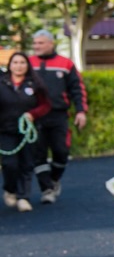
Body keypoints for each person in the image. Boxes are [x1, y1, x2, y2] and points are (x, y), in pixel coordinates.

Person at [28, 29, 87, 205]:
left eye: (41, 43)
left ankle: (54, 179)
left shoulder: (65, 64)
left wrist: (81, 111)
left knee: (61, 151)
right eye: (35, 43)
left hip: (58, 116)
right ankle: (46, 190)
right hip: (35, 117)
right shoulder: (28, 63)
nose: (36, 46)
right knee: (38, 154)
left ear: (50, 44)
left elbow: (77, 89)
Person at [2, 52, 52, 212]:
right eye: (15, 62)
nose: (18, 66)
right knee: (10, 164)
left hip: (28, 131)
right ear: (10, 65)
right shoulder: (2, 83)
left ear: (27, 65)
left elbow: (46, 105)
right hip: (5, 130)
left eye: (22, 62)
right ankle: (10, 189)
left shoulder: (34, 84)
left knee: (27, 164)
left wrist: (33, 114)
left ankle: (23, 197)